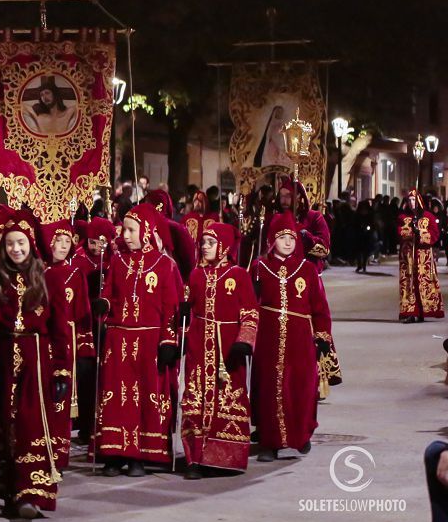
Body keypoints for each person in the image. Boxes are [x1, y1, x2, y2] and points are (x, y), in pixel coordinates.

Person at [0, 214, 70, 519]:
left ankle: (31, 493)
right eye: (10, 243)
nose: (16, 249)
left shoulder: (49, 278)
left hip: (35, 358)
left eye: (21, 243)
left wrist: (61, 369)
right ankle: (6, 491)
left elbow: (60, 327)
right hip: (0, 358)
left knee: (29, 423)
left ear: (31, 244)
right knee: (2, 422)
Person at [94, 203, 180, 477]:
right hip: (118, 339)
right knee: (117, 399)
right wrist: (103, 306)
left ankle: (139, 455)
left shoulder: (164, 264)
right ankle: (114, 453)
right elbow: (110, 293)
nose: (126, 234)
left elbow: (171, 308)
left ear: (147, 231)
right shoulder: (117, 261)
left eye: (132, 230)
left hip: (149, 340)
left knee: (145, 397)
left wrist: (168, 341)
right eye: (125, 229)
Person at [250, 211, 332, 462]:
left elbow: (320, 306)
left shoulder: (307, 269)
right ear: (272, 239)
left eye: (292, 238)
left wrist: (322, 337)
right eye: (282, 237)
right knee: (269, 386)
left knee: (300, 387)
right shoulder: (259, 267)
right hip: (268, 337)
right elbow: (249, 303)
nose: (288, 242)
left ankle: (301, 434)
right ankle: (269, 442)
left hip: (299, 340)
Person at [181, 223, 258, 479]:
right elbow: (186, 305)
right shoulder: (195, 275)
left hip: (227, 350)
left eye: (211, 243)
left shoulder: (239, 276)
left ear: (224, 246)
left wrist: (244, 341)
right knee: (195, 399)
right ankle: (194, 457)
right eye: (202, 242)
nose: (204, 247)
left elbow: (250, 313)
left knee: (227, 397)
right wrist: (181, 312)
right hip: (199, 348)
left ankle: (223, 456)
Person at [39, 219, 93, 463]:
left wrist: (84, 348)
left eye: (66, 241)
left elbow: (83, 315)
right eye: (57, 241)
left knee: (62, 394)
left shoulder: (75, 273)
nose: (62, 246)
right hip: (42, 338)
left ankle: (59, 449)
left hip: (66, 339)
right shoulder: (39, 272)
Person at [398, 189, 444, 323]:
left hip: (423, 256)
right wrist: (410, 231)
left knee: (424, 283)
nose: (411, 203)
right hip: (408, 256)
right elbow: (399, 232)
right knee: (409, 283)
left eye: (413, 200)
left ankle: (424, 310)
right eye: (409, 200)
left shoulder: (428, 216)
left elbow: (434, 235)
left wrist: (420, 232)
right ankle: (412, 311)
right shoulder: (402, 217)